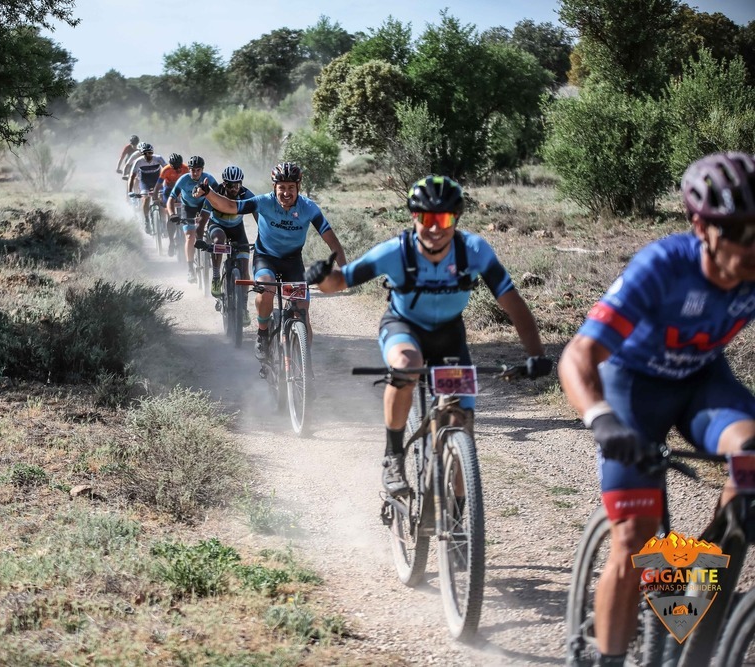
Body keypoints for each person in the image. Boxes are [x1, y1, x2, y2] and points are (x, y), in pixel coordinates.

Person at [557, 151, 755, 667]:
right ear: (702, 226)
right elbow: (579, 355)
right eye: (742, 233)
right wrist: (601, 419)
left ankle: (689, 607)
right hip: (631, 388)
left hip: (700, 385)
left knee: (750, 466)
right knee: (634, 536)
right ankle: (610, 657)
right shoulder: (664, 267)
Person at [305, 175, 551, 494]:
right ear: (414, 217)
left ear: (456, 218)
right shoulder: (396, 252)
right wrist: (322, 277)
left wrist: (536, 355)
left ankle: (463, 525)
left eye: (444, 218)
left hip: (449, 338)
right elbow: (341, 281)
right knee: (407, 365)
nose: (435, 228)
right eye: (427, 218)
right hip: (402, 327)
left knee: (460, 424)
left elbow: (515, 306)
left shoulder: (474, 251)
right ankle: (393, 456)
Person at [196, 161, 347, 360]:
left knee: (302, 310)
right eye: (281, 187)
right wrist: (208, 193)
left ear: (298, 188)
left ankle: (304, 364)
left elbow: (331, 240)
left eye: (291, 188)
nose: (286, 193)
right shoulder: (263, 202)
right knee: (266, 290)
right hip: (265, 258)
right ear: (274, 187)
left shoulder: (309, 207)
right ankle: (263, 333)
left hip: (293, 261)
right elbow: (230, 206)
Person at [195, 166, 258, 323]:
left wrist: (263, 239)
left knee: (244, 270)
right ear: (224, 184)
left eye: (238, 184)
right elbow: (203, 218)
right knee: (219, 240)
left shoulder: (246, 194)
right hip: (217, 226)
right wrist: (198, 239)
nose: (235, 189)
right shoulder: (215, 192)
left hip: (238, 229)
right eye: (230, 185)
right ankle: (216, 275)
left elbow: (260, 218)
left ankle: (243, 307)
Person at [168, 156, 219, 280]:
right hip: (188, 207)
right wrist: (172, 214)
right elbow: (171, 199)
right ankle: (190, 269)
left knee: (214, 229)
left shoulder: (209, 178)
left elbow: (219, 194)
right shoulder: (183, 180)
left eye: (198, 170)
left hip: (204, 205)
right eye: (192, 170)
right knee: (190, 236)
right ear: (189, 170)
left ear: (202, 170)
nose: (195, 173)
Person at [126, 143, 166, 228]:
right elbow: (132, 177)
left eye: (150, 153)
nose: (148, 155)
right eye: (145, 153)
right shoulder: (139, 161)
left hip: (157, 181)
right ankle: (147, 220)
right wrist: (130, 191)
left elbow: (167, 171)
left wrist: (169, 186)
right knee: (146, 198)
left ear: (152, 152)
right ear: (142, 154)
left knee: (161, 199)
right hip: (145, 182)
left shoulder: (158, 158)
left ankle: (163, 221)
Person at [154, 153, 188, 234]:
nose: (177, 169)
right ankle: (171, 241)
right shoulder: (166, 170)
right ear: (171, 165)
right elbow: (158, 185)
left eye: (179, 166)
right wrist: (155, 197)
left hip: (181, 189)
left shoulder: (186, 168)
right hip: (169, 189)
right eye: (175, 167)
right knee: (170, 216)